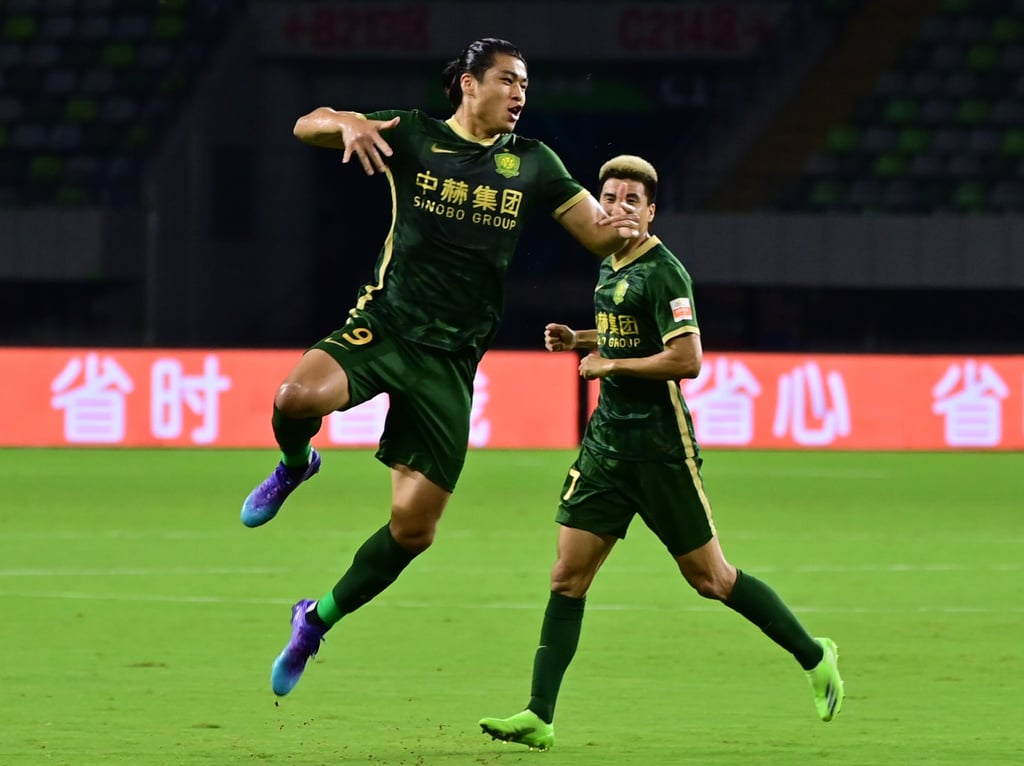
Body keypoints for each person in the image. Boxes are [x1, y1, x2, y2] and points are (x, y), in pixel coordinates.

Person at [238, 38, 642, 698]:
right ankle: (293, 466)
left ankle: (315, 619)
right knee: (294, 397)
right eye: (508, 80)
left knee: (414, 529)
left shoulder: (534, 164)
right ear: (468, 85)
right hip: (387, 327)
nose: (519, 94)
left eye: (526, 85)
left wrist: (628, 224)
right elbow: (304, 123)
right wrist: (345, 121)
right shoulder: (416, 138)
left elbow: (598, 235)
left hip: (450, 362)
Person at [478, 155, 844, 751]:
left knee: (712, 580)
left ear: (651, 212)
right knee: (567, 576)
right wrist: (581, 338)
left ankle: (814, 654)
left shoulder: (665, 272)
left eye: (631, 200)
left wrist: (609, 363)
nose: (618, 207)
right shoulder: (610, 265)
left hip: (659, 450)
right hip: (605, 448)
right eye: (610, 198)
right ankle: (538, 715)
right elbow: (628, 329)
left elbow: (687, 358)